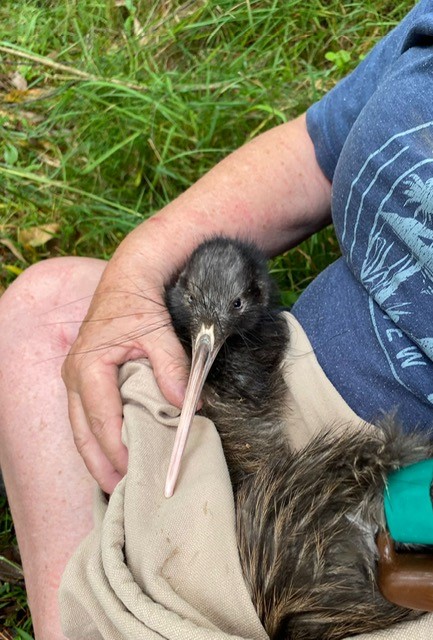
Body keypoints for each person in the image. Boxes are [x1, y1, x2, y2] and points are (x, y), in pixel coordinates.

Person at [1, 1, 433, 638]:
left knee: (235, 591)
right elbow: (319, 148)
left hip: (405, 493)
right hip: (268, 374)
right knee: (48, 309)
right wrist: (141, 267)